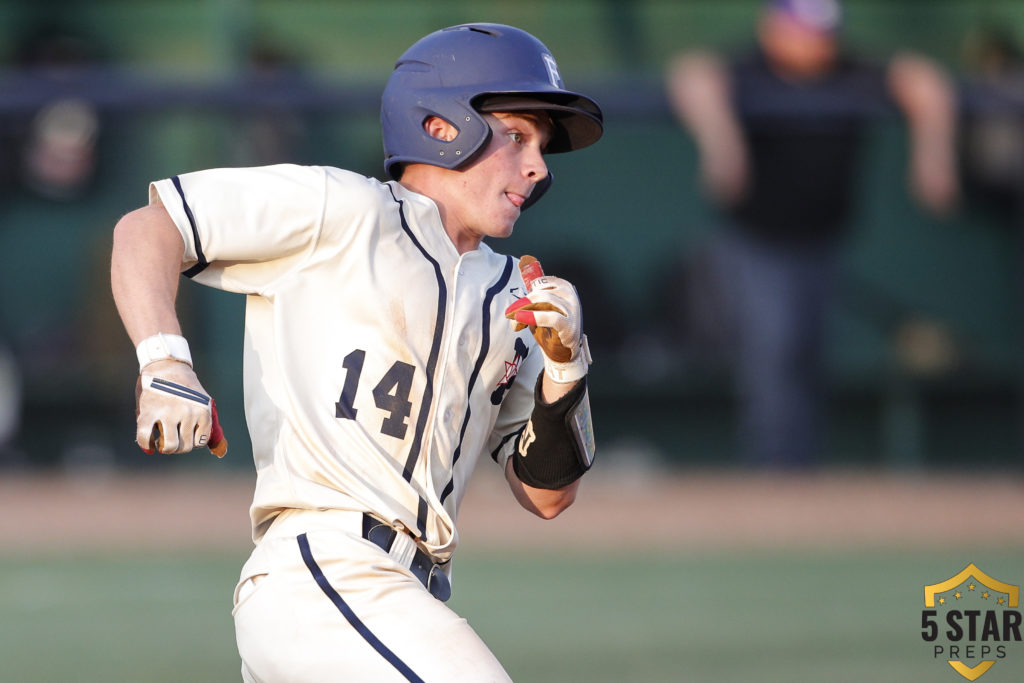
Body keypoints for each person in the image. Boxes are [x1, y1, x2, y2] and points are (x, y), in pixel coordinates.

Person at [110, 23, 601, 681]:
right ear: (441, 124)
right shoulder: (343, 209)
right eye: (517, 135)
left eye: (540, 146)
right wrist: (165, 359)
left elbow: (546, 495)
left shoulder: (517, 295)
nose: (537, 165)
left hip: (400, 594)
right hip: (322, 570)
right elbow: (150, 229)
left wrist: (567, 367)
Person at [665, 0, 959, 467]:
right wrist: (722, 141)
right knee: (774, 357)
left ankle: (800, 478)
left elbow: (922, 79)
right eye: (803, 32)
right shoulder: (748, 67)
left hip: (822, 240)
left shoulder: (850, 68)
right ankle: (775, 476)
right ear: (773, 29)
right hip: (757, 240)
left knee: (809, 359)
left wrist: (934, 156)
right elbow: (691, 73)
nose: (816, 44)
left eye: (823, 34)